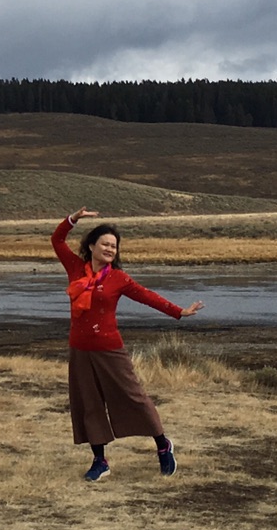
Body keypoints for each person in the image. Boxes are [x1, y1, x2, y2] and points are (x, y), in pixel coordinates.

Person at [52, 207, 203, 482]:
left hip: (110, 348)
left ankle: (162, 445)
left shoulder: (118, 279)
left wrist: (178, 312)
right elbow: (57, 240)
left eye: (114, 246)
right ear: (92, 246)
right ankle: (100, 460)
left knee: (134, 397)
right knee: (89, 404)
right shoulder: (75, 268)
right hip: (80, 349)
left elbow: (147, 296)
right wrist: (72, 219)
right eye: (105, 244)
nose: (110, 249)